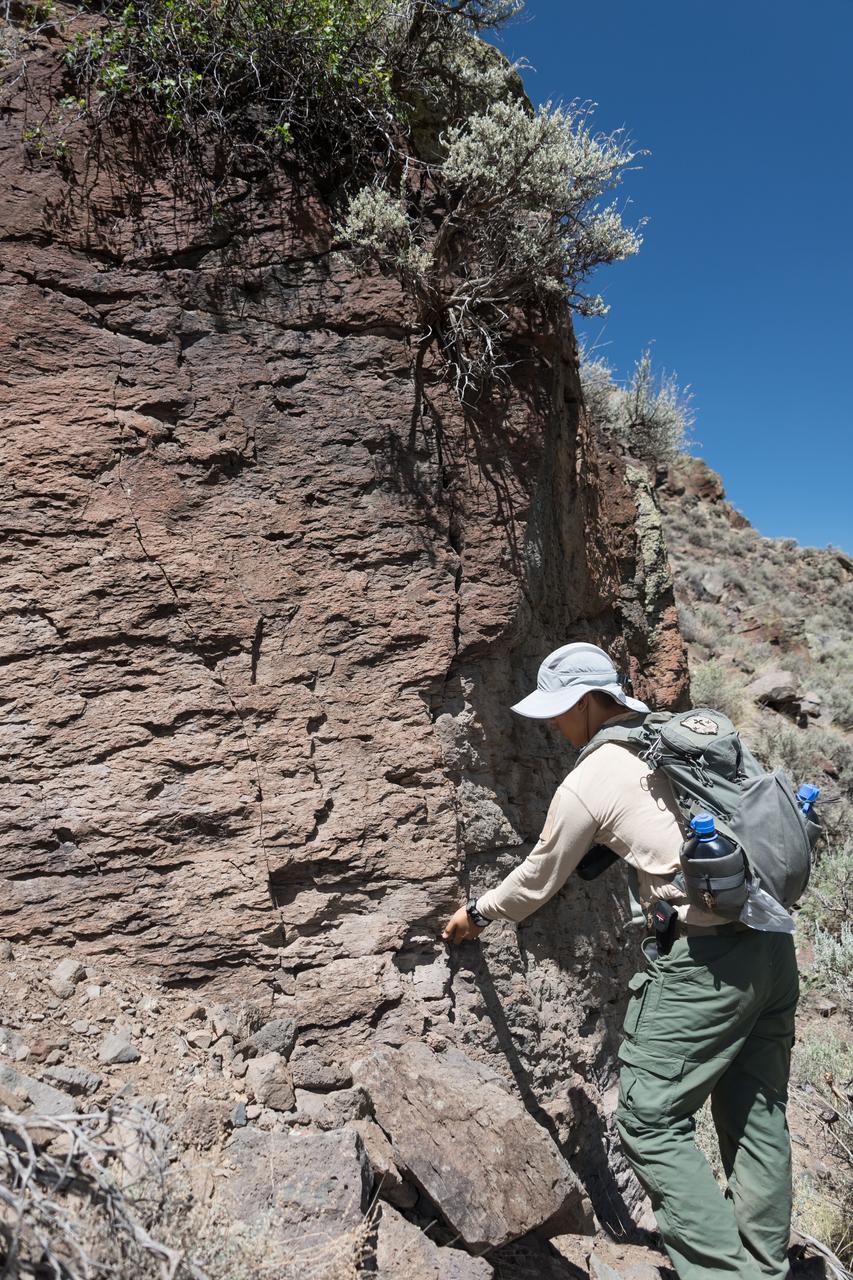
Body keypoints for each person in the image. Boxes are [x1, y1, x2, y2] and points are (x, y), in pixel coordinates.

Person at [443, 642, 798, 1280]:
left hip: (706, 964)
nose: (553, 727)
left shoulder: (594, 775)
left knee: (648, 1117)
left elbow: (537, 879)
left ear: (585, 703)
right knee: (756, 1107)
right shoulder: (673, 739)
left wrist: (478, 913)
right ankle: (764, 1266)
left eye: (556, 713)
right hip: (772, 944)